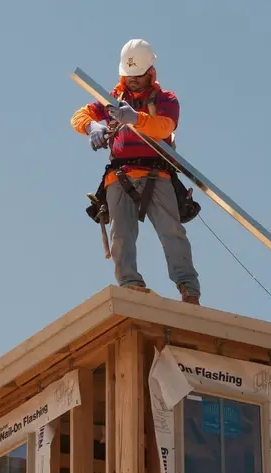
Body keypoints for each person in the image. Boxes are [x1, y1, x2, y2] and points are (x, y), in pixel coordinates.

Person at [70, 38, 201, 305]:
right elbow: (79, 116)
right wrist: (91, 127)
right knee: (122, 233)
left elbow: (164, 127)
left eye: (138, 77)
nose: (133, 82)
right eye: (129, 76)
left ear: (151, 73)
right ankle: (131, 284)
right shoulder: (112, 99)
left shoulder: (165, 99)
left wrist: (136, 119)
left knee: (171, 232)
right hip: (121, 175)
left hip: (157, 174)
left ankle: (189, 289)